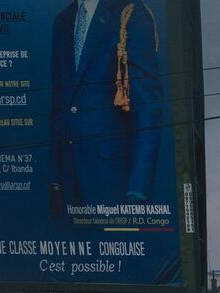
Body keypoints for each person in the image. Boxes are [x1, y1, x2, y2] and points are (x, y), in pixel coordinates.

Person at [48, 0, 169, 219]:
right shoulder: (62, 21)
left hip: (113, 183)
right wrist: (55, 179)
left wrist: (137, 192)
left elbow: (149, 110)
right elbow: (59, 104)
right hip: (67, 181)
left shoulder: (131, 15)